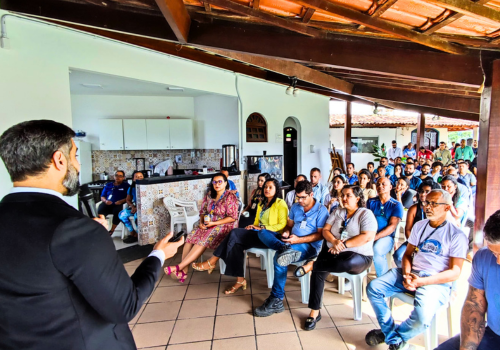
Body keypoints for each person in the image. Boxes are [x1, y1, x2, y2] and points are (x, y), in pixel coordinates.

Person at [0, 120, 185, 350]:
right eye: (75, 156)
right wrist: (158, 254)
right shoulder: (73, 229)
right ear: (59, 160)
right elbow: (125, 305)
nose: (77, 165)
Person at [366, 190, 468, 350]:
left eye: (434, 204)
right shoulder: (420, 226)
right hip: (411, 273)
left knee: (422, 317)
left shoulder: (456, 235)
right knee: (374, 288)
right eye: (426, 203)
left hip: (435, 281)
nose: (428, 207)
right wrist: (407, 274)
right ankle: (393, 336)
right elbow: (407, 255)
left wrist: (422, 281)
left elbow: (455, 272)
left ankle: (393, 337)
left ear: (447, 208)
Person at [294, 186, 377, 330]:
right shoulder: (338, 211)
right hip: (333, 250)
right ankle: (314, 312)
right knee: (320, 270)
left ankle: (312, 265)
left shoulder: (365, 214)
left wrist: (343, 244)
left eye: (348, 196)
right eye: (343, 195)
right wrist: (334, 241)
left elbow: (366, 237)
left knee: (341, 263)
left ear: (357, 198)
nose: (344, 198)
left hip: (359, 256)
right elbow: (325, 230)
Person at [192, 178, 288, 294]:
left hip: (271, 237)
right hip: (258, 234)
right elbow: (257, 221)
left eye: (270, 187)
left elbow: (282, 225)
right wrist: (252, 226)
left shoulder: (280, 203)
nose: (267, 189)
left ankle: (212, 261)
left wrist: (262, 228)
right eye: (265, 187)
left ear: (276, 189)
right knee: (236, 242)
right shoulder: (261, 203)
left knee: (234, 233)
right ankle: (240, 280)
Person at [435, 210, 500, 350]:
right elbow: (474, 305)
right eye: (495, 253)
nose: (498, 261)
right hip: (493, 334)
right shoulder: (483, 258)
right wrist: (466, 348)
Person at [165, 173, 239, 282]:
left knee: (203, 239)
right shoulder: (209, 195)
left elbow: (232, 217)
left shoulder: (230, 196)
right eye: (214, 182)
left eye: (220, 182)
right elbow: (203, 212)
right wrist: (201, 222)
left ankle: (179, 267)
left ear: (225, 183)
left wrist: (214, 223)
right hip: (209, 224)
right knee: (190, 237)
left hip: (224, 225)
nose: (217, 184)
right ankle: (184, 271)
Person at [392, 180, 441, 268]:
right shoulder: (414, 208)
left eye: (427, 192)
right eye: (421, 191)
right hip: (414, 241)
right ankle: (406, 273)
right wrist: (414, 245)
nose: (423, 194)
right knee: (398, 256)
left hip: (432, 243)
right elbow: (408, 229)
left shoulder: (438, 209)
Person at [367, 177, 404, 277]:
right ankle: (353, 277)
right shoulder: (371, 202)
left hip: (386, 237)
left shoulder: (396, 205)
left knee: (377, 250)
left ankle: (382, 280)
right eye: (378, 184)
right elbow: (366, 220)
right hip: (369, 234)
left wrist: (374, 237)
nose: (380, 186)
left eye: (383, 184)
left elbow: (392, 227)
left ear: (390, 187)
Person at [98, 170, 130, 235]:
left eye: (120, 176)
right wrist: (105, 201)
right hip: (107, 203)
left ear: (123, 177)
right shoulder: (108, 185)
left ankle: (111, 231)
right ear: (114, 176)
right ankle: (103, 229)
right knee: (100, 210)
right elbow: (102, 197)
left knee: (117, 211)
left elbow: (129, 197)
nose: (118, 177)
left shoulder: (126, 186)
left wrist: (121, 201)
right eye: (116, 175)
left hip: (118, 204)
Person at [118, 170, 144, 244]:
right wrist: (133, 206)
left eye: (141, 176)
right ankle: (132, 232)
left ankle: (139, 235)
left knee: (137, 216)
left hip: (144, 209)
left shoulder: (147, 187)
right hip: (135, 208)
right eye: (136, 177)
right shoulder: (131, 188)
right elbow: (128, 200)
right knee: (121, 214)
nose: (139, 178)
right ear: (133, 179)